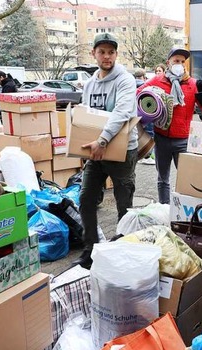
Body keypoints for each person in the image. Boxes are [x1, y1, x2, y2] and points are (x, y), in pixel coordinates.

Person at [72, 33, 139, 269]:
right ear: (94, 54)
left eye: (111, 52)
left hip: (121, 152)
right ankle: (90, 248)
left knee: (125, 204)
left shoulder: (125, 80)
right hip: (96, 151)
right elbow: (88, 115)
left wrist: (102, 140)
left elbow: (122, 112)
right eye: (102, 52)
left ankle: (124, 246)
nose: (107, 56)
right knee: (86, 198)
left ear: (116, 54)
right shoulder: (89, 84)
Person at [139, 48, 198, 204]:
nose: (179, 64)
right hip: (162, 138)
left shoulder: (192, 84)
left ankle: (185, 210)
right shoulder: (157, 81)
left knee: (186, 179)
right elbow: (138, 95)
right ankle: (164, 209)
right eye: (176, 61)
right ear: (168, 63)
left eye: (182, 61)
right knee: (163, 179)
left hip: (184, 140)